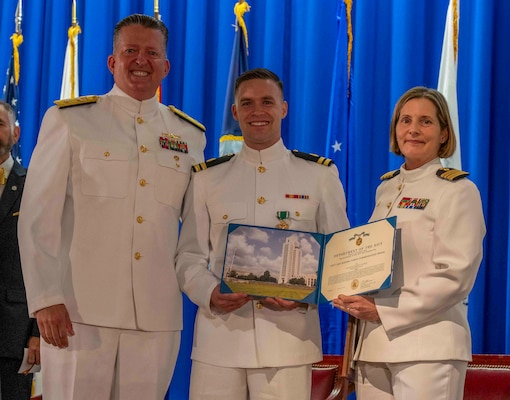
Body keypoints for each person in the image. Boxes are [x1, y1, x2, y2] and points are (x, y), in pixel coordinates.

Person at [18, 14, 206, 400]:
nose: (141, 60)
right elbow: (38, 218)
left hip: (156, 316)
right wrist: (45, 299)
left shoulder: (189, 135)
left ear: (166, 66)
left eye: (152, 53)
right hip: (77, 313)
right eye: (130, 51)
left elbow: (195, 233)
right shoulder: (71, 120)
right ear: (112, 61)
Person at [175, 68, 350, 400]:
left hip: (288, 343)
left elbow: (339, 255)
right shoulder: (207, 178)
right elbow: (189, 256)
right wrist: (210, 292)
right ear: (235, 111)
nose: (257, 111)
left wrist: (305, 293)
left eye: (267, 102)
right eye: (248, 103)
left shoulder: (319, 176)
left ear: (283, 108)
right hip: (219, 342)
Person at [333, 86, 486, 400]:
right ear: (395, 129)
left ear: (444, 133)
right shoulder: (387, 189)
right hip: (374, 346)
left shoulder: (458, 190)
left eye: (426, 122)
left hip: (428, 347)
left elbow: (455, 276)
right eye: (405, 120)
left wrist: (385, 311)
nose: (413, 129)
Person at [0, 100, 40, 399]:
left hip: (14, 333)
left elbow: (49, 259)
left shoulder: (37, 186)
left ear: (16, 133)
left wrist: (38, 332)